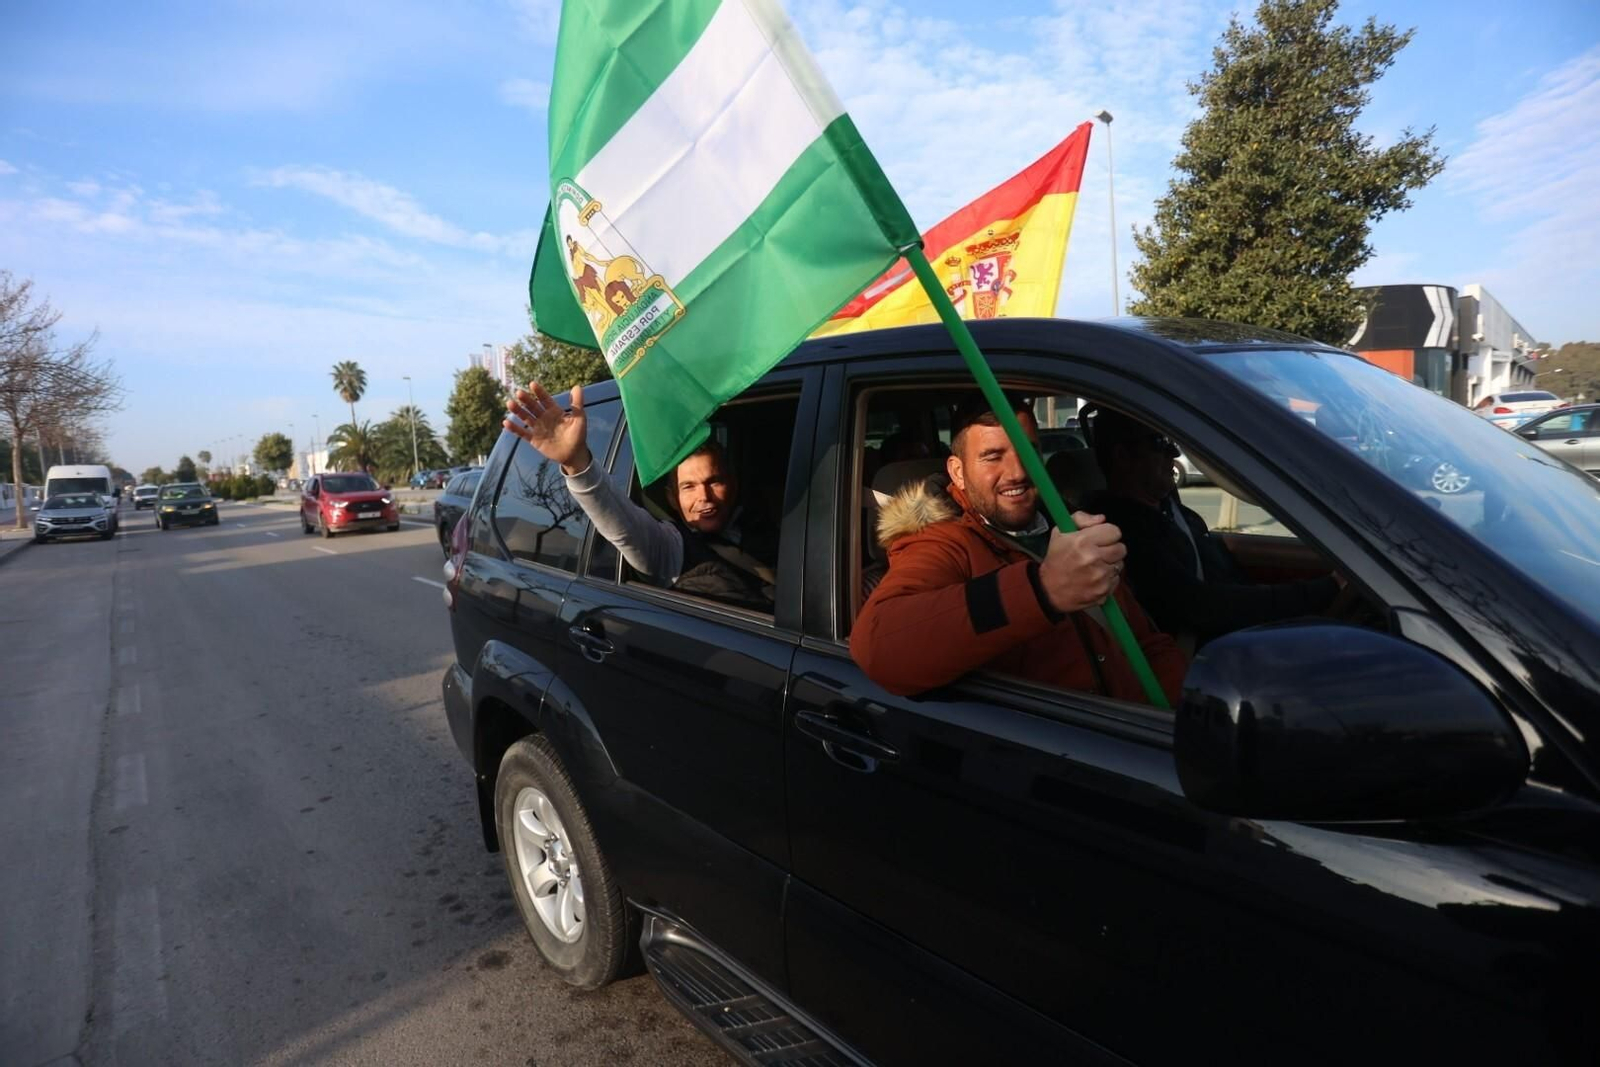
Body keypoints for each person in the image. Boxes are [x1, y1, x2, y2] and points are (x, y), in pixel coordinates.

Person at [851, 393, 1187, 705]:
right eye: (993, 456)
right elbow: (879, 647)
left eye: (1028, 451)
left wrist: (1189, 713)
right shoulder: (942, 542)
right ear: (958, 472)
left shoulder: (1068, 528)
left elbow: (1146, 643)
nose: (1017, 472)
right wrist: (1042, 590)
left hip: (1138, 735)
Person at [504, 381, 778, 611]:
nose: (704, 496)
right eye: (689, 487)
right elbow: (625, 527)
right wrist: (577, 464)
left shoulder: (773, 521)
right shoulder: (672, 547)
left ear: (733, 482)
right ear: (672, 499)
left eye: (714, 481)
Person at [1081, 405, 1339, 647]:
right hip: (1207, 659)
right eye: (1159, 443)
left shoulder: (1171, 511)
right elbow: (1202, 606)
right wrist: (1323, 590)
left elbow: (1225, 582)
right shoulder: (1120, 533)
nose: (1174, 452)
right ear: (1123, 457)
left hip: (1237, 636)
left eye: (1171, 442)